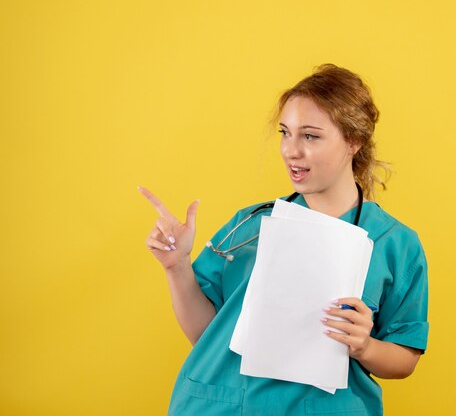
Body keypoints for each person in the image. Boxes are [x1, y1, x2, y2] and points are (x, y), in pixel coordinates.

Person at [139, 64, 429, 416]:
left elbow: (404, 359)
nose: (291, 151)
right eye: (285, 133)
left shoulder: (395, 245)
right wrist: (177, 266)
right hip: (220, 407)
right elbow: (206, 335)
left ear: (354, 141)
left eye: (310, 136)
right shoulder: (248, 226)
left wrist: (364, 346)